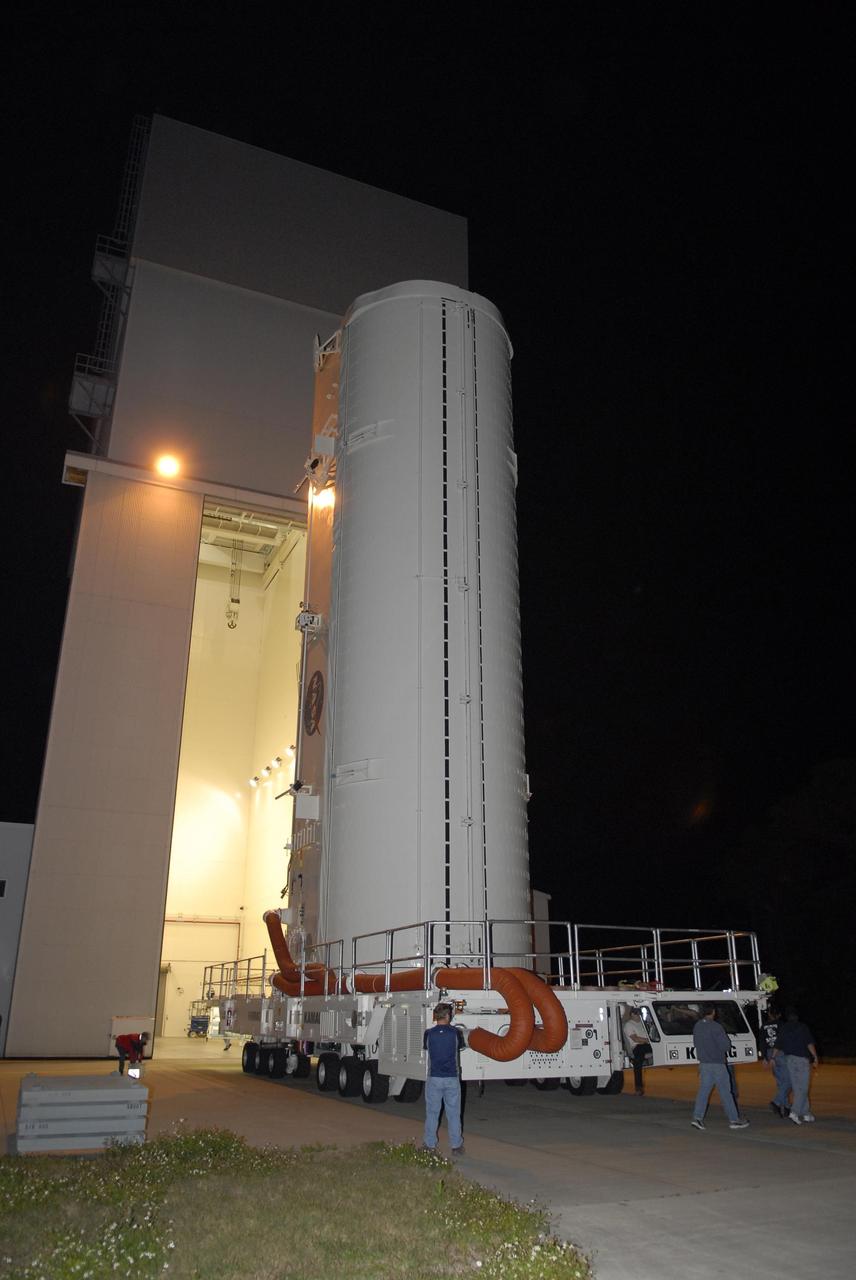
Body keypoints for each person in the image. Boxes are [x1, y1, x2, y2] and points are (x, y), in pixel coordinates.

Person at [690, 1006, 749, 1131]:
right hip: (718, 1064)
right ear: (713, 1012)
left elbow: (695, 1043)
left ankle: (697, 1118)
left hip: (704, 1064)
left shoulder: (698, 1026)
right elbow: (726, 1046)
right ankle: (734, 1120)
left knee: (703, 1092)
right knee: (726, 1093)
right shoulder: (716, 1027)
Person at [423, 1002, 468, 1155]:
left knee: (432, 1113)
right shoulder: (456, 1033)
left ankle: (430, 1145)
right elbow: (460, 1047)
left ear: (436, 1016)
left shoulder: (428, 1033)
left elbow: (427, 1049)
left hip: (434, 1077)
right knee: (454, 1113)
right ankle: (456, 1146)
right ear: (448, 1016)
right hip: (451, 1078)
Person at [774, 1007, 819, 1125]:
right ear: (797, 1017)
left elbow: (778, 1044)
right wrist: (815, 1057)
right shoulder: (802, 1027)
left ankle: (806, 1113)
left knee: (797, 1087)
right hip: (801, 1060)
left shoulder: (784, 1028)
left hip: (789, 1060)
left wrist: (772, 1058)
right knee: (803, 1088)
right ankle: (794, 1112)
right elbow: (809, 1043)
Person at [760, 1006, 791, 1118]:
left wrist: (764, 1057)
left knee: (781, 1082)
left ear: (769, 1014)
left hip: (769, 1052)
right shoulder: (782, 1025)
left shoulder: (764, 1026)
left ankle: (786, 1107)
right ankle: (776, 1102)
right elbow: (785, 1040)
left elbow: (762, 1042)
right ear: (779, 1015)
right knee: (789, 1080)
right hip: (780, 1053)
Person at [622, 1009, 649, 1095]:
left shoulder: (642, 1023)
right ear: (632, 1014)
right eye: (638, 1014)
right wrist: (648, 1040)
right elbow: (635, 1039)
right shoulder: (628, 1025)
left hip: (646, 1044)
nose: (639, 1016)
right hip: (637, 1046)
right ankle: (638, 1087)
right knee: (638, 1062)